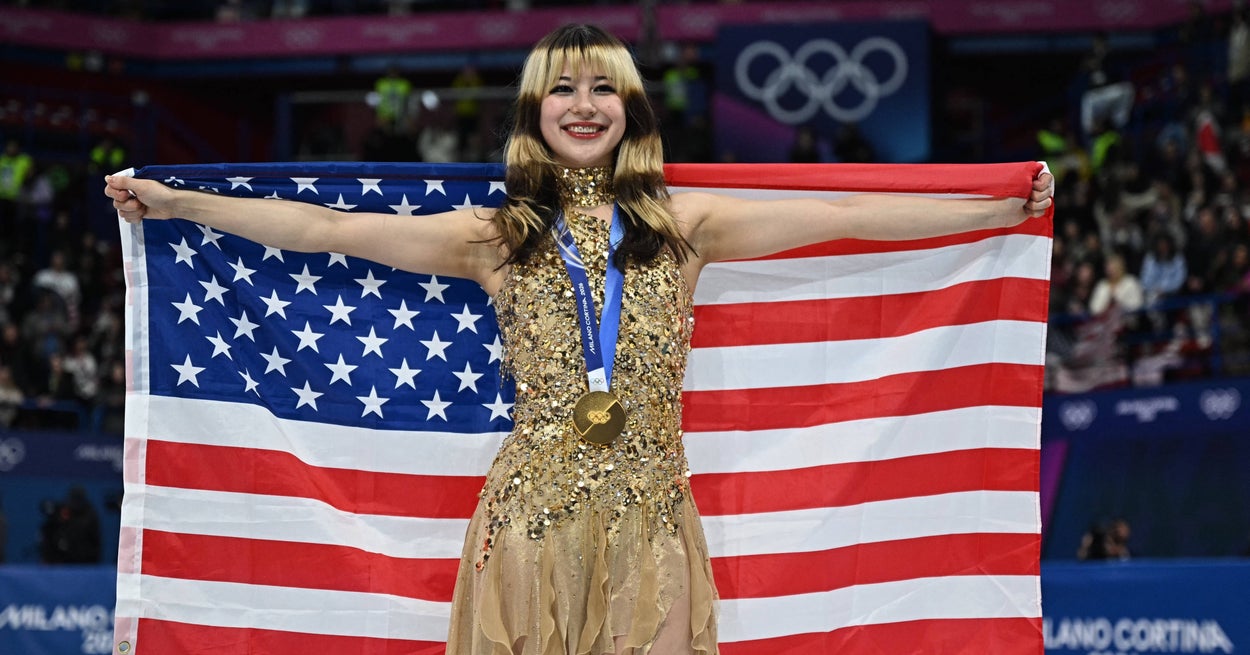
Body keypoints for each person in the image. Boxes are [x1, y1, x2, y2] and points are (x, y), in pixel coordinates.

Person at [106, 24, 1053, 655]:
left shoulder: (686, 226)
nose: (584, 103)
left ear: (632, 108)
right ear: (535, 112)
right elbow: (326, 230)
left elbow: (845, 218)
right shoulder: (496, 237)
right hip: (531, 517)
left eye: (604, 87)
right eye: (563, 89)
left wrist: (995, 205)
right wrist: (177, 202)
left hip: (653, 516)